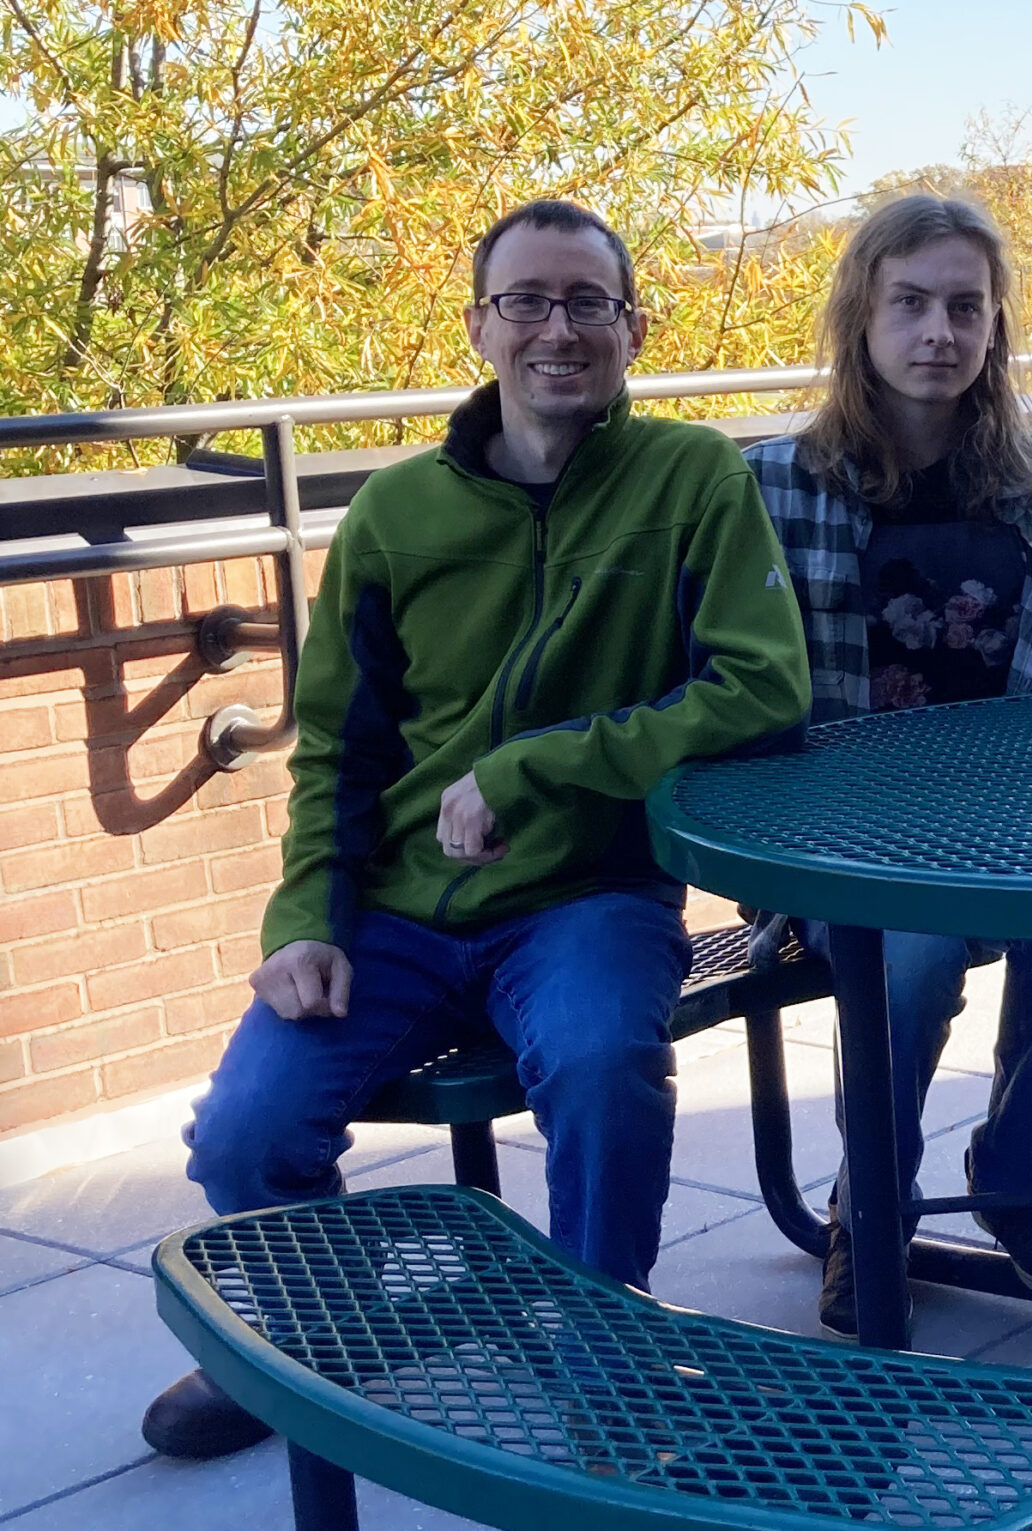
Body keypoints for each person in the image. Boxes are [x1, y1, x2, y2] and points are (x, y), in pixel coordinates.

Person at [148, 200, 813, 1459]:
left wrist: (539, 767)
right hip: (396, 911)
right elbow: (338, 745)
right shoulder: (396, 512)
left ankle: (610, 1368)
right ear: (479, 326)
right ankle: (313, 1342)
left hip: (590, 896)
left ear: (632, 330)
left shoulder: (691, 478)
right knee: (246, 1132)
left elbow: (764, 689)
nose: (559, 329)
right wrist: (303, 920)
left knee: (604, 1069)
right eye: (527, 301)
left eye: (589, 303)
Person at [745, 195, 1032, 1338]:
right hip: (836, 841)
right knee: (908, 962)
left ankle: (1010, 1172)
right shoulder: (770, 488)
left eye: (965, 306)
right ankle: (873, 1205)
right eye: (908, 303)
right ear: (859, 316)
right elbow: (734, 703)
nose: (938, 332)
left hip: (1014, 829)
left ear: (996, 323)